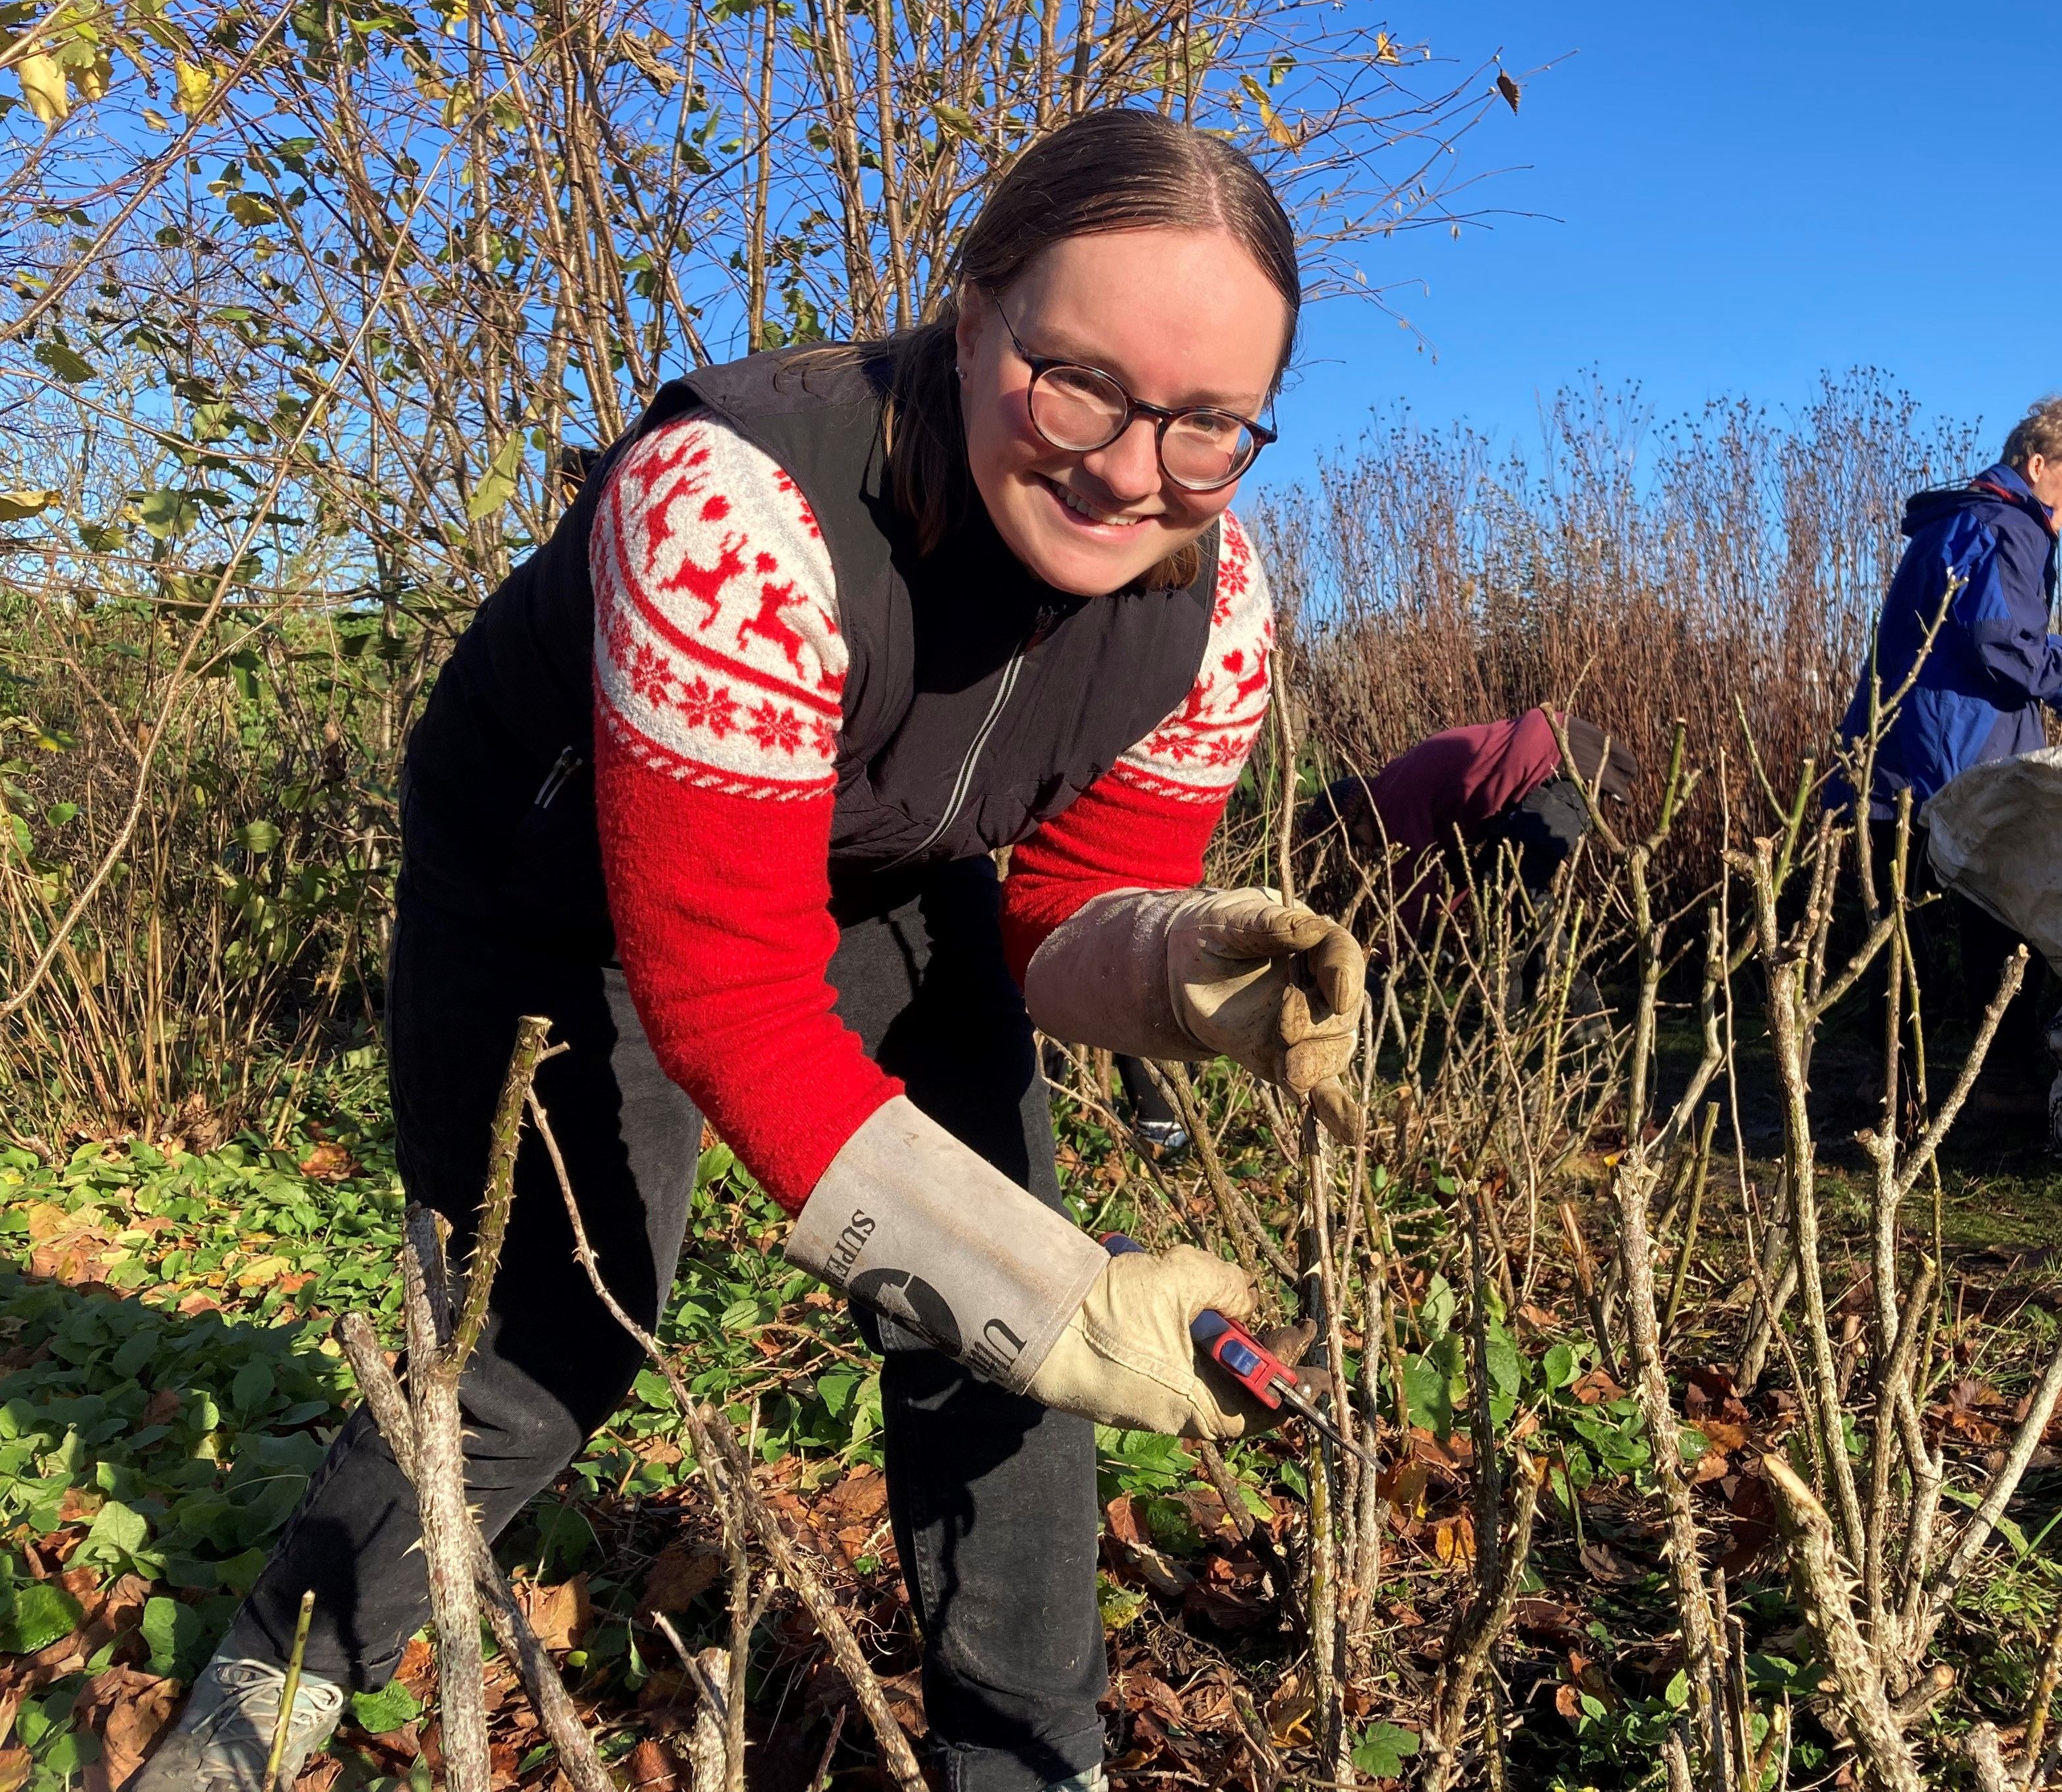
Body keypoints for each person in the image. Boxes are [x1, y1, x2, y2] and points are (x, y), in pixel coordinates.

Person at [132, 110, 1364, 1792]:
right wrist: (1057, 1301)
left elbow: (1075, 896)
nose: (1132, 470)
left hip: (880, 870)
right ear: (973, 313)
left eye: (1209, 423)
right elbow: (730, 996)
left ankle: (1028, 1764)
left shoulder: (1212, 606)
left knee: (1000, 1325)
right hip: (557, 882)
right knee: (539, 1346)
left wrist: (1179, 963)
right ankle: (279, 1677)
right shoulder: (736, 507)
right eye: (1079, 383)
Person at [1832, 396, 2062, 1092]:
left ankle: (1895, 1092)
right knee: (2007, 923)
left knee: (1897, 935)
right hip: (1959, 768)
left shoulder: (1966, 521)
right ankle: (2008, 1086)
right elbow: (1998, 643)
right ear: (2037, 464)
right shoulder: (2009, 526)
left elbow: (1962, 629)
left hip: (1894, 762)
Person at [1308, 707, 1639, 1017]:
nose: (1365, 849)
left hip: (1559, 756)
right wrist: (1434, 922)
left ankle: (1584, 1016)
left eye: (1354, 840)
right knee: (1495, 889)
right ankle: (1502, 1012)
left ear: (1355, 819)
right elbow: (1452, 877)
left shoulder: (1391, 802)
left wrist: (1380, 960)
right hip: (1553, 759)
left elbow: (1415, 886)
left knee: (1515, 889)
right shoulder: (1401, 789)